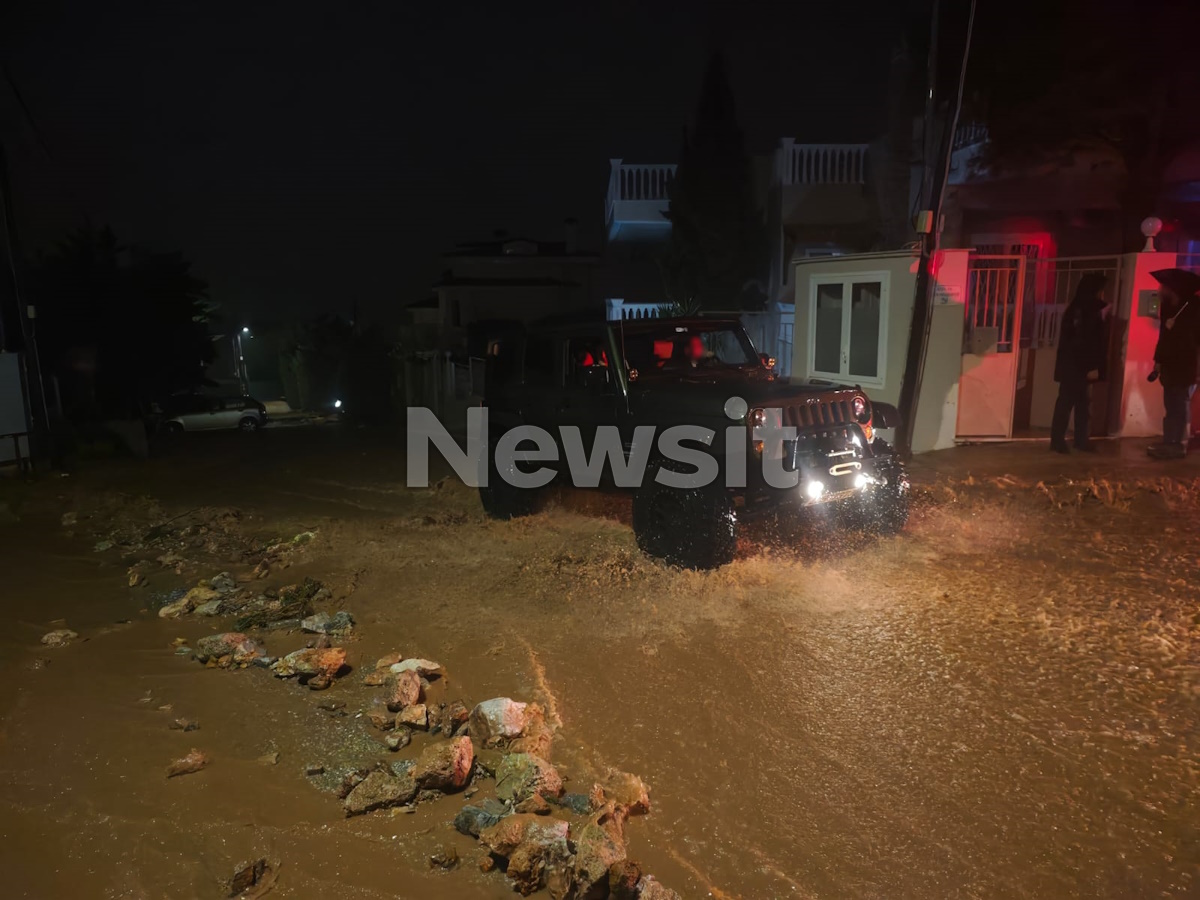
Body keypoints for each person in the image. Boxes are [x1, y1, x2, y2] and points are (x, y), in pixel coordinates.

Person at [1050, 273, 1109, 454]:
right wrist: (1091, 366)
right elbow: (1086, 341)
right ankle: (1063, 441)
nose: (1102, 294)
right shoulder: (1085, 311)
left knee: (1078, 404)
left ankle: (1077, 441)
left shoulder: (1080, 309)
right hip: (1077, 367)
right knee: (1070, 403)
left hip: (1073, 366)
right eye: (1101, 290)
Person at [1148, 268, 1200, 460]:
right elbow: (1164, 338)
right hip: (1169, 364)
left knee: (1179, 404)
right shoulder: (1169, 307)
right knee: (1171, 405)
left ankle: (1178, 444)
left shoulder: (1193, 308)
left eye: (1164, 286)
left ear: (1174, 289)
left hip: (1184, 365)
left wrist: (1176, 328)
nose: (1160, 289)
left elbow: (1191, 340)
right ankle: (1169, 441)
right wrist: (1158, 361)